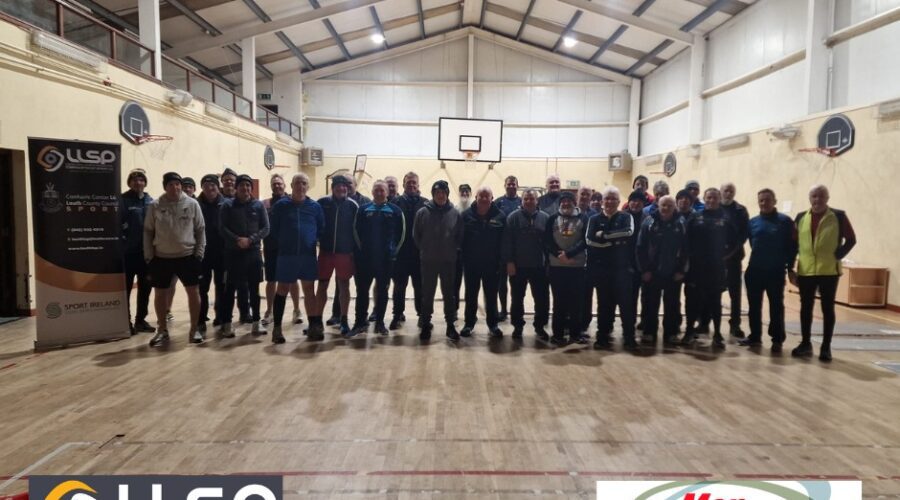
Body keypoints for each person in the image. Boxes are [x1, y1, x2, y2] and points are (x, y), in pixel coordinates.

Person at [790, 184, 856, 362]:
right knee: (806, 309)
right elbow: (793, 245)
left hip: (829, 272)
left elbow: (851, 239)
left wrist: (838, 254)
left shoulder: (838, 216)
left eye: (820, 196)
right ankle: (805, 343)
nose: (817, 200)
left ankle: (826, 347)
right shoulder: (801, 217)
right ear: (809, 198)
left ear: (827, 198)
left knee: (828, 308)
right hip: (806, 271)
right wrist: (790, 268)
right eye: (813, 196)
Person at [144, 172, 206, 347]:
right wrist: (149, 256)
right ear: (165, 187)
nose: (175, 187)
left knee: (193, 292)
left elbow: (201, 229)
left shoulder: (192, 204)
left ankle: (194, 329)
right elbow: (148, 231)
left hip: (187, 256)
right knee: (160, 293)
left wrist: (199, 253)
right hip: (161, 258)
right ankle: (162, 330)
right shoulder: (155, 205)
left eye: (177, 184)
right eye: (171, 184)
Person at [268, 173, 325, 343]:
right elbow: (274, 229)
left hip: (308, 256)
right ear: (291, 186)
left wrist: (310, 242)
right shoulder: (281, 206)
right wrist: (287, 242)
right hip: (287, 256)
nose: (301, 186)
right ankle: (277, 329)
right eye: (297, 183)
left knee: (309, 290)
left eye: (304, 183)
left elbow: (321, 229)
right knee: (282, 290)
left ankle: (314, 326)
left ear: (308, 187)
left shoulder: (315, 207)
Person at [738, 188, 796, 352]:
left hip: (775, 272)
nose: (764, 203)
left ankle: (777, 339)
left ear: (774, 201)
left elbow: (792, 247)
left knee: (776, 306)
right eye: (761, 200)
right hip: (755, 270)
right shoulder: (753, 222)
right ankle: (755, 336)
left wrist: (790, 268)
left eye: (767, 200)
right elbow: (751, 243)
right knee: (754, 305)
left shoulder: (785, 222)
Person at [682, 188, 738, 349]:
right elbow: (685, 240)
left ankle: (718, 334)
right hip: (695, 268)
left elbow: (735, 243)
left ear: (719, 199)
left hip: (716, 269)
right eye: (708, 198)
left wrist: (724, 257)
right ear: (704, 199)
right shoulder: (695, 217)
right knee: (692, 301)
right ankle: (689, 331)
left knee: (715, 302)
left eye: (714, 198)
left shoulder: (725, 219)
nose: (711, 200)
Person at [586, 187, 637, 351]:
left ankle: (629, 338)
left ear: (618, 201)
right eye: (607, 198)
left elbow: (628, 232)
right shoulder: (593, 219)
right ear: (602, 201)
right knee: (604, 305)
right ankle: (602, 337)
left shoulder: (626, 217)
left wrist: (604, 237)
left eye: (613, 198)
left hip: (622, 270)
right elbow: (589, 239)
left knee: (626, 306)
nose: (609, 201)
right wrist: (613, 242)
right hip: (602, 271)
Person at [352, 180, 405, 336]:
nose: (379, 193)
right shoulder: (363, 210)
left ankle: (380, 323)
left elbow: (402, 234)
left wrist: (394, 252)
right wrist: (361, 251)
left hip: (385, 260)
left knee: (382, 292)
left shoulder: (395, 211)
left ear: (387, 193)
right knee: (362, 291)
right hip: (365, 260)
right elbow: (355, 231)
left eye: (382, 190)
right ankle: (359, 322)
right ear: (372, 192)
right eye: (377, 190)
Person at [219, 174, 269, 337]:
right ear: (236, 188)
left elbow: (266, 228)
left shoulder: (258, 206)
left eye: (248, 185)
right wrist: (237, 240)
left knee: (254, 289)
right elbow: (222, 228)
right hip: (233, 254)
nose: (245, 188)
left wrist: (251, 240)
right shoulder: (227, 205)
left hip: (253, 253)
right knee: (229, 289)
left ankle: (256, 322)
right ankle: (226, 323)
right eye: (242, 185)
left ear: (251, 188)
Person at [413, 180, 464, 341]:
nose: (440, 195)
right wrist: (425, 249)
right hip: (428, 261)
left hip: (448, 261)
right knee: (427, 294)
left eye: (443, 192)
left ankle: (450, 326)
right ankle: (426, 324)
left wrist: (452, 249)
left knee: (449, 295)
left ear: (447, 194)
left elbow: (460, 236)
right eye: (437, 193)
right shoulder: (422, 212)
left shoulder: (455, 213)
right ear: (433, 194)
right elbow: (416, 235)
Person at [636, 195, 688, 347]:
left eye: (669, 206)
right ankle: (649, 332)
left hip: (673, 273)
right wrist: (644, 270)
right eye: (663, 205)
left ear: (675, 207)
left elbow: (686, 249)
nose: (666, 208)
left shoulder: (681, 224)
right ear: (658, 205)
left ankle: (671, 333)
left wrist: (681, 270)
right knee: (649, 304)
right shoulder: (648, 222)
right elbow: (640, 248)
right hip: (652, 272)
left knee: (672, 304)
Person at [503, 189, 550, 340]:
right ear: (521, 201)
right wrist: (509, 262)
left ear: (537, 201)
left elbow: (549, 244)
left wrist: (549, 263)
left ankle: (540, 326)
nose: (529, 201)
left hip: (539, 266)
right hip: (518, 266)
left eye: (532, 199)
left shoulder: (545, 218)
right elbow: (507, 242)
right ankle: (517, 326)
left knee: (542, 299)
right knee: (517, 298)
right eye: (526, 199)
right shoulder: (513, 218)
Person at [460, 186, 506, 339]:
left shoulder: (500, 216)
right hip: (471, 265)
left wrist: (502, 262)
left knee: (491, 296)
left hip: (492, 265)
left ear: (492, 198)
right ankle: (469, 324)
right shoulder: (466, 216)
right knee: (471, 295)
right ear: (476, 198)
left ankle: (493, 325)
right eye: (482, 196)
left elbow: (504, 242)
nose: (484, 199)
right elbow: (460, 240)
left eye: (488, 196)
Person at [317, 175, 359, 336]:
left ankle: (343, 320)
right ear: (332, 187)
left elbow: (357, 231)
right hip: (326, 253)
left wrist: (354, 251)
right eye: (338, 186)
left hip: (344, 253)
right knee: (322, 286)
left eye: (344, 186)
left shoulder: (353, 205)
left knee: (344, 286)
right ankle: (317, 321)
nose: (341, 189)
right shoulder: (322, 203)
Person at [544, 191, 588, 345]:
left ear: (574, 202)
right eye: (563, 201)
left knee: (576, 302)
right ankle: (558, 334)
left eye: (569, 201)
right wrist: (559, 255)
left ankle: (576, 334)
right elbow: (547, 241)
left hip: (577, 267)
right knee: (559, 302)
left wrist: (569, 254)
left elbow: (584, 241)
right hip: (557, 267)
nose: (566, 204)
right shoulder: (552, 219)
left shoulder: (583, 218)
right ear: (560, 203)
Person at [262, 174, 302, 326]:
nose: (277, 186)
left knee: (292, 280)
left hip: (289, 248)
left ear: (285, 185)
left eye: (279, 183)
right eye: (274, 184)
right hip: (271, 248)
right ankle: (269, 311)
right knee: (271, 280)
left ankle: (297, 310)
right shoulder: (265, 204)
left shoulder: (293, 202)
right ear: (271, 186)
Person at [390, 172, 428, 330]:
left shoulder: (427, 203)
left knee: (420, 287)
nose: (411, 185)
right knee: (399, 286)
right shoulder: (395, 202)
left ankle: (422, 316)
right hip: (401, 254)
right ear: (403, 184)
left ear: (418, 185)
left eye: (414, 183)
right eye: (408, 183)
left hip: (420, 254)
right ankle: (397, 315)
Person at [120, 168, 155, 335]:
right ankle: (125, 321)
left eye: (141, 179)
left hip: (146, 254)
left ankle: (140, 320)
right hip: (127, 254)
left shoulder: (150, 201)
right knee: (125, 290)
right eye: (134, 180)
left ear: (145, 183)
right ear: (129, 183)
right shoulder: (122, 200)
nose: (138, 182)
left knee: (145, 289)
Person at [720, 182, 750, 338]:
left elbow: (743, 235)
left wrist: (730, 253)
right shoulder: (714, 207)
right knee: (712, 291)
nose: (728, 193)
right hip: (715, 259)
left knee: (735, 293)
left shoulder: (740, 211)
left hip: (733, 257)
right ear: (721, 192)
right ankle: (706, 323)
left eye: (731, 191)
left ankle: (735, 324)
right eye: (726, 190)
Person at [196, 174, 225, 333]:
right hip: (203, 254)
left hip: (221, 254)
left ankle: (220, 316)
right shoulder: (195, 204)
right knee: (202, 289)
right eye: (206, 186)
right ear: (202, 188)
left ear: (217, 186)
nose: (210, 188)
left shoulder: (226, 204)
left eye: (213, 185)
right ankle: (201, 319)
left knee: (221, 287)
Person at [495, 175, 522, 322]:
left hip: (517, 251)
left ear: (517, 186)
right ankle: (503, 310)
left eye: (514, 184)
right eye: (509, 184)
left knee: (516, 284)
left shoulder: (521, 202)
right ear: (505, 185)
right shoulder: (498, 203)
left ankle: (514, 310)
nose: (511, 186)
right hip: (500, 250)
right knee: (501, 283)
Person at [626, 190, 648, 331]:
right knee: (630, 296)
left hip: (645, 264)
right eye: (633, 200)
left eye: (639, 201)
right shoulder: (622, 217)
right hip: (627, 264)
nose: (636, 203)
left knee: (646, 297)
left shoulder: (649, 218)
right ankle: (630, 322)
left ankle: (645, 322)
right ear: (629, 202)